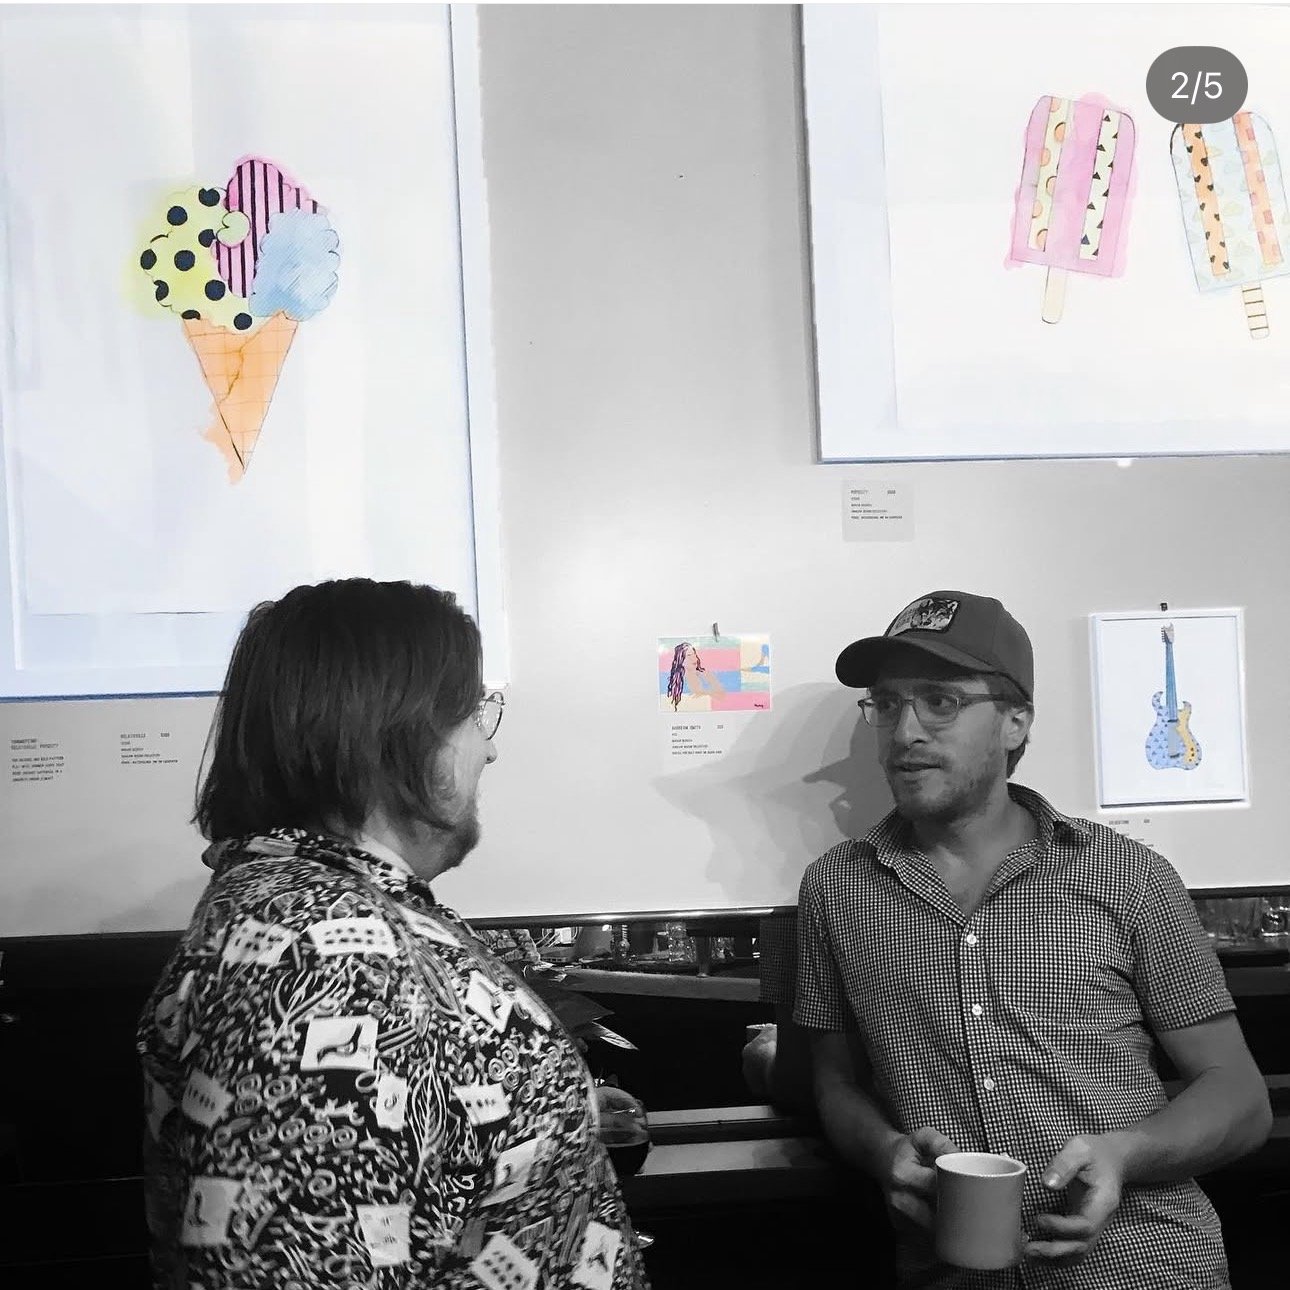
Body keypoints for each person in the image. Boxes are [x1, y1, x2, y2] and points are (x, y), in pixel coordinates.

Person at [137, 578, 649, 1290]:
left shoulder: (316, 915)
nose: (488, 751)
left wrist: (543, 1118)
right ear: (398, 732)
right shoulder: (321, 965)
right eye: (473, 713)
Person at [793, 589, 1270, 1288]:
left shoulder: (1128, 876)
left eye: (940, 702)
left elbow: (1240, 1097)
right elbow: (833, 1081)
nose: (904, 732)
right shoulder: (835, 889)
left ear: (1015, 721)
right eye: (887, 704)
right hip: (952, 1271)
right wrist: (883, 1151)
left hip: (1142, 1264)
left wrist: (1125, 1155)